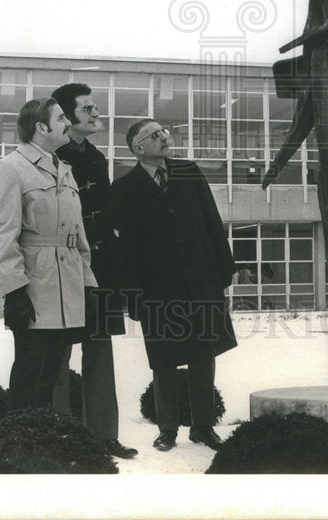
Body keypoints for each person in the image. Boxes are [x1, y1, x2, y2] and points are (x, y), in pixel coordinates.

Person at [111, 119, 237, 452]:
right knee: (163, 358)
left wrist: (224, 269)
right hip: (156, 288)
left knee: (204, 353)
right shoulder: (124, 188)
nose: (165, 138)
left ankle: (203, 426)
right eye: (155, 135)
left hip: (200, 279)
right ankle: (167, 429)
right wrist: (133, 295)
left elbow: (211, 220)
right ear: (138, 148)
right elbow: (127, 249)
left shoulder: (189, 172)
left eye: (164, 132)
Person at [0, 98, 97, 410]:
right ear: (40, 127)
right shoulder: (9, 169)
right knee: (30, 372)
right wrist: (14, 290)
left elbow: (78, 237)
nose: (68, 123)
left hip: (67, 287)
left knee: (52, 374)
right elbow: (2, 235)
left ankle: (43, 434)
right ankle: (21, 435)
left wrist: (88, 284)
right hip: (34, 288)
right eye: (61, 118)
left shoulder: (64, 170)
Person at [49, 83, 137, 460]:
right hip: (63, 266)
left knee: (99, 349)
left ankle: (104, 436)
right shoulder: (51, 156)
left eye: (95, 107)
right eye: (87, 109)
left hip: (100, 267)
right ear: (66, 117)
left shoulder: (98, 158)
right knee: (57, 353)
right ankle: (61, 438)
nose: (96, 113)